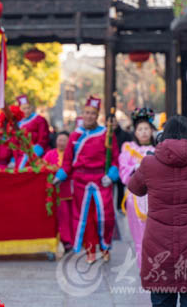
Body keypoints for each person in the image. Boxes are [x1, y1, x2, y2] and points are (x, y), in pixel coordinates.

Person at [128, 116, 187, 307]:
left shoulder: (149, 163)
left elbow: (135, 187)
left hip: (159, 246)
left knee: (162, 301)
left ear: (162, 136)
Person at [54, 96, 119, 264]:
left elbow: (115, 160)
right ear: (82, 114)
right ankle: (90, 250)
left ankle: (105, 247)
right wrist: (58, 177)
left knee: (104, 216)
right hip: (81, 181)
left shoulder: (107, 134)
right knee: (86, 218)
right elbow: (67, 162)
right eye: (87, 113)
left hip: (101, 180)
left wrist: (110, 176)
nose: (89, 116)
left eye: (93, 113)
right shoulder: (75, 135)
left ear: (97, 115)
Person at [119, 108, 155, 269]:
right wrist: (136, 166)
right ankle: (144, 269)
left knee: (155, 236)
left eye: (147, 128)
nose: (144, 132)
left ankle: (157, 268)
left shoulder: (159, 149)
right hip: (135, 197)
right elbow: (123, 171)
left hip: (155, 197)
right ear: (135, 131)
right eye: (140, 129)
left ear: (152, 130)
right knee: (139, 237)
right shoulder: (128, 148)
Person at [43, 131, 73, 250]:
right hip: (53, 191)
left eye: (64, 140)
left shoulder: (71, 154)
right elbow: (43, 166)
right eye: (59, 140)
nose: (61, 143)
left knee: (66, 217)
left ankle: (68, 240)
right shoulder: (50, 154)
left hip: (67, 191)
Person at [108, 113, 133, 211]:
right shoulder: (105, 135)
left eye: (114, 121)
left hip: (120, 164)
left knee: (120, 187)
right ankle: (109, 206)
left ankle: (120, 206)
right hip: (109, 165)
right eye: (110, 122)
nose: (112, 123)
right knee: (109, 188)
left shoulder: (124, 134)